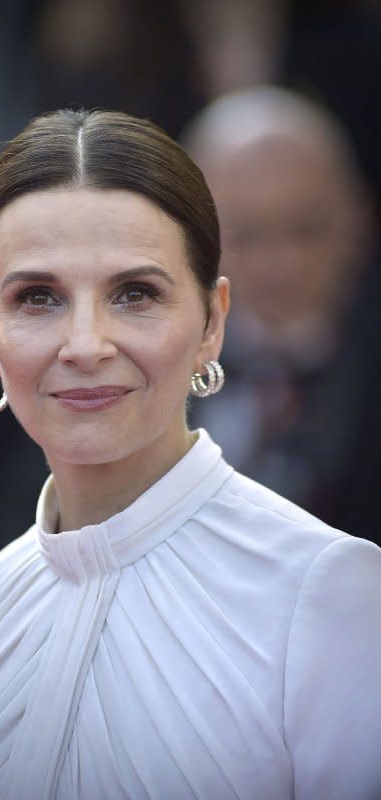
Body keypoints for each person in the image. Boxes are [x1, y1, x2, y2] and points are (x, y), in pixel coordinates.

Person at [0, 109, 381, 800]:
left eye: (135, 295)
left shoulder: (324, 588)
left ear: (212, 322)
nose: (84, 344)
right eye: (37, 297)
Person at [181, 86, 381, 545]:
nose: (283, 264)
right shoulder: (138, 358)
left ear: (360, 220)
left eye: (307, 230)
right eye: (249, 236)